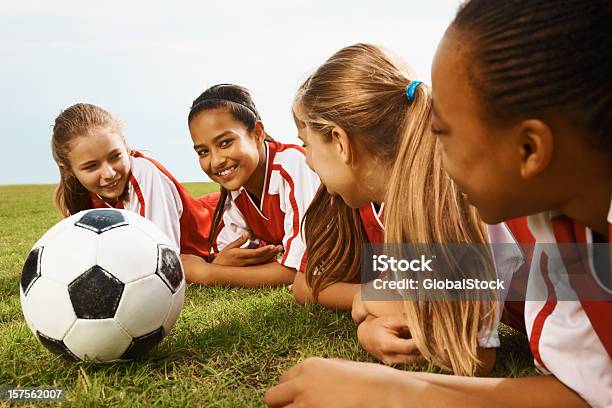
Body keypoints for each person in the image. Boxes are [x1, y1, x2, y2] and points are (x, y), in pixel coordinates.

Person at [266, 0, 611, 407]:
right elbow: (590, 390)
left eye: (444, 133)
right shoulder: (558, 222)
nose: (435, 157)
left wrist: (387, 391)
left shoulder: (480, 209)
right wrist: (369, 318)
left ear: (528, 149)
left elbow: (480, 355)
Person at [277, 43, 504, 377]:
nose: (307, 160)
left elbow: (473, 354)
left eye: (307, 144)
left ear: (340, 142)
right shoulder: (409, 196)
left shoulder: (451, 193)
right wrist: (369, 327)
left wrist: (371, 299)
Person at [181, 84, 320, 287]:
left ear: (257, 133)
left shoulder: (293, 164)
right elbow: (238, 255)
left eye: (225, 142)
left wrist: (208, 273)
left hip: (372, 255)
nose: (216, 161)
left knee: (303, 292)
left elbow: (299, 270)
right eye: (203, 152)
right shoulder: (236, 186)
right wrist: (223, 262)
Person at [51, 103, 220, 259]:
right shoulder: (80, 193)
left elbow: (161, 258)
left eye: (115, 156)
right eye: (91, 167)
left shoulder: (145, 174)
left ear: (125, 146)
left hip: (221, 228)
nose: (109, 173)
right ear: (68, 169)